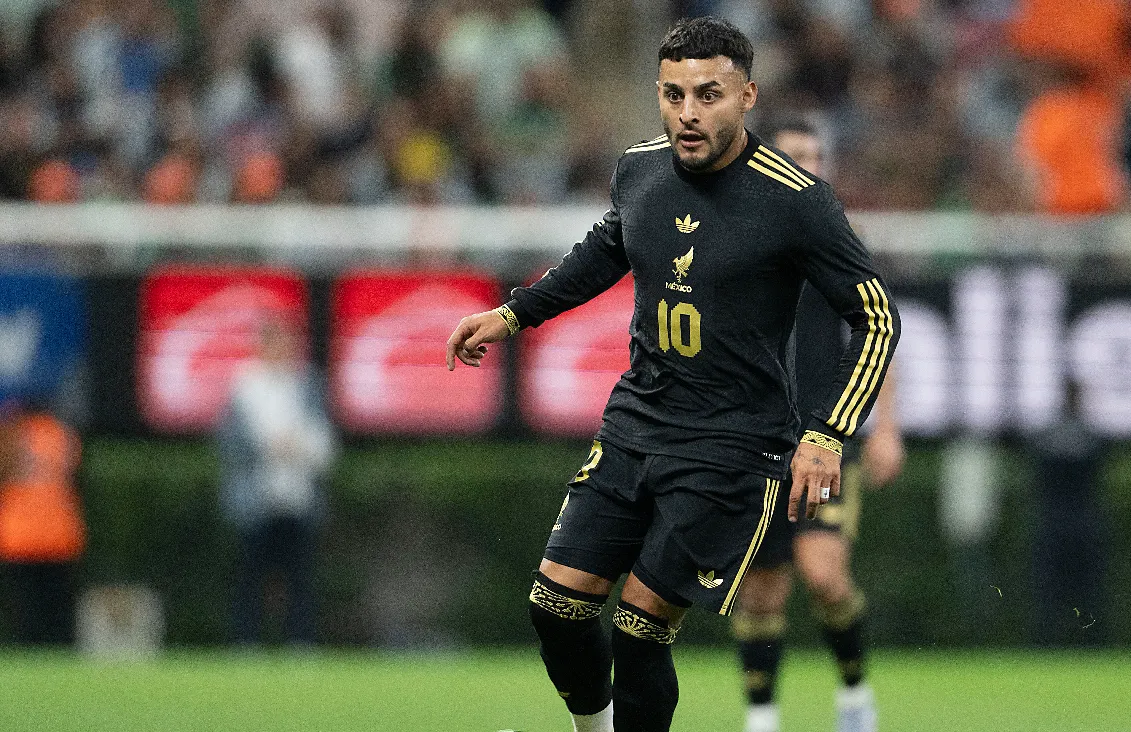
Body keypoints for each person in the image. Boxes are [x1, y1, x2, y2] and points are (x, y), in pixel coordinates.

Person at [446, 17, 899, 732]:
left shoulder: (796, 200)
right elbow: (608, 247)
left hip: (732, 446)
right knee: (555, 608)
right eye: (673, 94)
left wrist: (827, 435)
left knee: (639, 628)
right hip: (637, 422)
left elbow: (878, 318)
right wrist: (514, 313)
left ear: (747, 96)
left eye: (708, 95)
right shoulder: (640, 167)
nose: (688, 113)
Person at [729, 120, 905, 732]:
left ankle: (854, 694)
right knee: (762, 590)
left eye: (814, 156)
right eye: (793, 155)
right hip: (757, 443)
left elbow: (879, 334)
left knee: (825, 575)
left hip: (826, 436)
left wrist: (886, 427)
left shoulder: (840, 242)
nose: (805, 165)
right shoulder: (740, 238)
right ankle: (762, 715)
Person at [217, 318, 335, 647]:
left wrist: (299, 446)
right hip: (255, 499)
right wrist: (266, 447)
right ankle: (246, 641)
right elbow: (229, 443)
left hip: (298, 496)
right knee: (250, 573)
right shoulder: (243, 387)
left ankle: (301, 641)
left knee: (300, 574)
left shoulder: (307, 384)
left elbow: (325, 442)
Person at [1025, 381, 1107, 647]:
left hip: (1053, 520)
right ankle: (1091, 640)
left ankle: (1047, 641)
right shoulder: (1091, 436)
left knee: (1049, 588)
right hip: (1084, 520)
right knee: (1088, 588)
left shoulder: (1046, 437)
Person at [0, 398, 86, 645]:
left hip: (19, 535)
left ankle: (28, 646)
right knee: (57, 605)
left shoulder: (12, 433)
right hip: (60, 533)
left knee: (24, 607)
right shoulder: (62, 435)